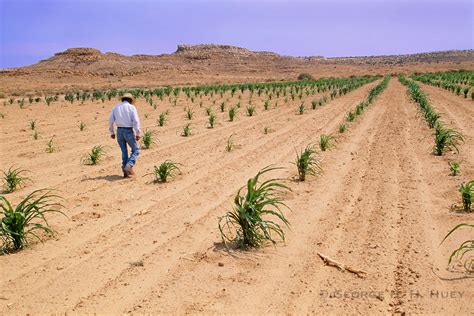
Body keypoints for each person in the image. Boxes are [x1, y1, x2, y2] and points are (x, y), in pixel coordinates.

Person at [109, 93, 141, 178]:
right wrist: (138, 133)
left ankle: (125, 172)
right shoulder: (131, 107)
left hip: (119, 131)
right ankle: (129, 165)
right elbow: (136, 121)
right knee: (136, 150)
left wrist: (112, 132)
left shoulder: (116, 107)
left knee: (124, 152)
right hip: (128, 130)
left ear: (122, 99)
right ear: (130, 100)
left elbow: (111, 120)